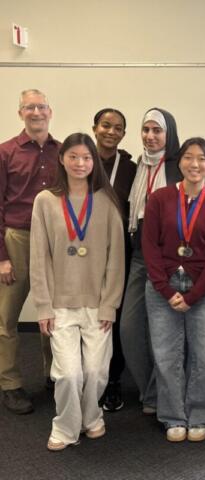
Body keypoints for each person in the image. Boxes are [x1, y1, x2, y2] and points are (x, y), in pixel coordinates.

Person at [30, 133, 124, 451]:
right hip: (59, 304)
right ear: (62, 159)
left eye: (86, 157)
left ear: (93, 161)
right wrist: (42, 306)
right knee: (69, 374)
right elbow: (38, 257)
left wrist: (110, 305)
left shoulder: (107, 201)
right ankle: (66, 427)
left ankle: (92, 417)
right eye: (73, 156)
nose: (80, 163)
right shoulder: (45, 201)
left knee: (96, 371)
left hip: (98, 304)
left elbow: (116, 260)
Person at [143, 137, 205, 442]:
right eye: (189, 158)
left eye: (202, 159)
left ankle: (201, 414)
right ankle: (172, 416)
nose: (195, 164)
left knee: (203, 355)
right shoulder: (159, 199)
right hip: (162, 287)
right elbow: (149, 247)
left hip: (203, 289)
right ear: (179, 162)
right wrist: (166, 290)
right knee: (166, 354)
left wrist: (193, 295)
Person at [0, 89, 59, 414]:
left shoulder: (63, 152)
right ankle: (10, 384)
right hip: (17, 239)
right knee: (6, 318)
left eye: (41, 106)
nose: (36, 112)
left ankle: (55, 375)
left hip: (52, 241)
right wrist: (2, 257)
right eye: (29, 107)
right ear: (20, 112)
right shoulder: (5, 152)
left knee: (53, 313)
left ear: (50, 111)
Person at [120, 108, 181, 415]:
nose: (150, 136)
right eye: (146, 129)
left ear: (169, 134)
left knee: (164, 329)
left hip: (168, 260)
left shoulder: (179, 167)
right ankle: (149, 389)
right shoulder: (136, 166)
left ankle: (161, 395)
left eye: (157, 130)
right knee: (129, 329)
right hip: (139, 255)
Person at [92, 108, 137, 413]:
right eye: (105, 125)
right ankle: (87, 377)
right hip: (83, 251)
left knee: (115, 316)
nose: (111, 131)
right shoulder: (80, 160)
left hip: (120, 249)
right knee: (86, 314)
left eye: (118, 127)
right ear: (94, 128)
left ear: (123, 134)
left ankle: (113, 381)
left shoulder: (131, 168)